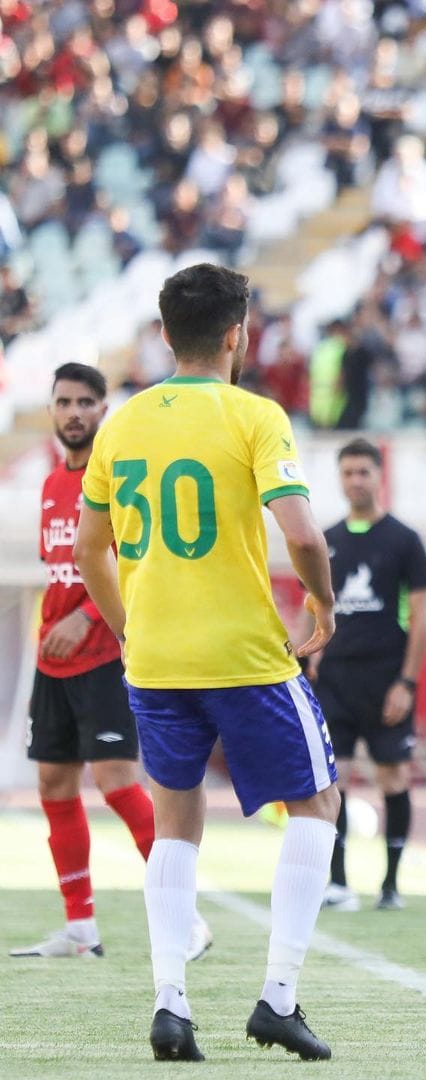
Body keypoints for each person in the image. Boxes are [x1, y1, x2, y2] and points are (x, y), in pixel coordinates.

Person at [74, 263, 341, 1061]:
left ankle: (170, 1002)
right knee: (319, 804)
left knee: (175, 821)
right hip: (247, 657)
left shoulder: (120, 424)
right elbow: (300, 533)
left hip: (156, 661)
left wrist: (131, 629)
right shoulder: (254, 415)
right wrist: (321, 605)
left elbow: (93, 549)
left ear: (164, 334)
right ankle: (278, 997)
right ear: (237, 334)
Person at [10, 363, 211, 964]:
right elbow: (64, 572)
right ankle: (80, 929)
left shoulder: (122, 483)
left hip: (104, 654)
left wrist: (90, 618)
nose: (74, 412)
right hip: (54, 661)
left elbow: (140, 565)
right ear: (52, 410)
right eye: (64, 402)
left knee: (118, 780)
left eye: (86, 402)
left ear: (104, 410)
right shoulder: (50, 485)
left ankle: (187, 919)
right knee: (53, 783)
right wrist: (54, 622)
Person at [309, 436, 426, 913]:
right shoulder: (327, 540)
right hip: (335, 677)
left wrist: (407, 681)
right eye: (348, 472)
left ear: (380, 476)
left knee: (393, 776)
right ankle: (338, 883)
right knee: (330, 781)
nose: (356, 480)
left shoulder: (404, 540)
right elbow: (313, 605)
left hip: (386, 678)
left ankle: (391, 885)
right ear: (340, 479)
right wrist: (307, 659)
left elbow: (423, 617)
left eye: (364, 471)